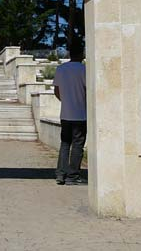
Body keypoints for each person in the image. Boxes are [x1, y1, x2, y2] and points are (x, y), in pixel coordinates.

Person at [53, 39, 86, 185]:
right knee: (78, 144)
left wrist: (66, 101)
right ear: (81, 54)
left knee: (65, 143)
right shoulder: (84, 70)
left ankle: (60, 174)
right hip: (81, 114)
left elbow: (57, 90)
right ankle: (73, 175)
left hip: (65, 113)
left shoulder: (61, 69)